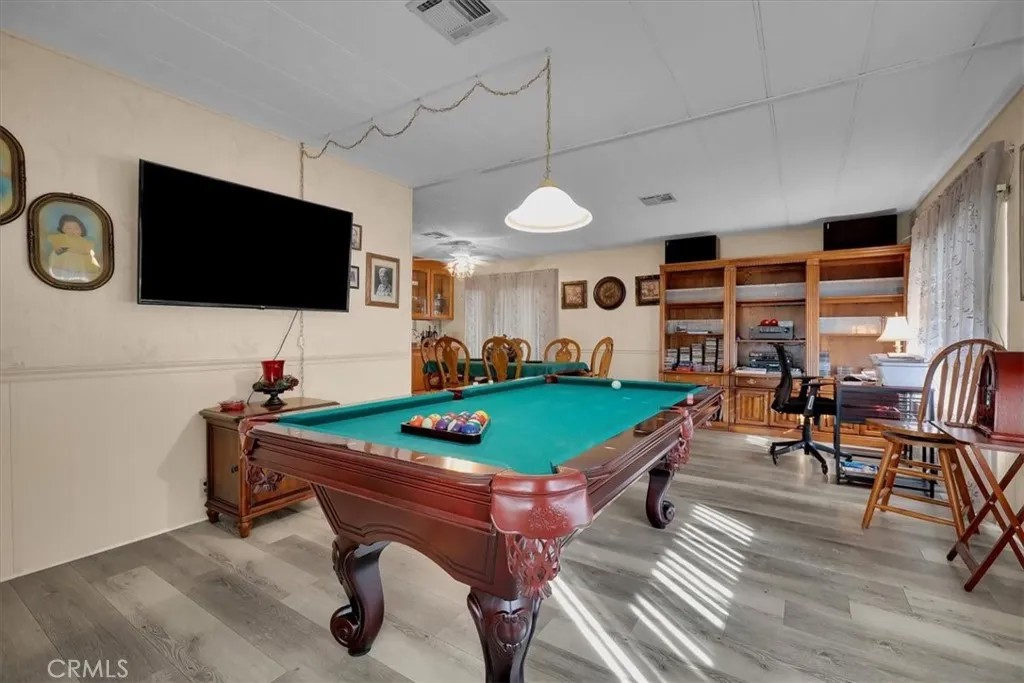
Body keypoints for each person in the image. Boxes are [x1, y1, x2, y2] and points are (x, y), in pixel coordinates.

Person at [47, 214, 101, 282]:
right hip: (66, 255)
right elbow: (57, 247)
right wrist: (63, 248)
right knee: (61, 254)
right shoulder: (62, 237)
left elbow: (88, 250)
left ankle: (78, 267)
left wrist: (80, 251)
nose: (73, 231)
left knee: (86, 258)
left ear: (81, 230)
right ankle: (66, 266)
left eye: (76, 228)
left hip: (80, 256)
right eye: (69, 228)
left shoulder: (84, 241)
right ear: (63, 229)